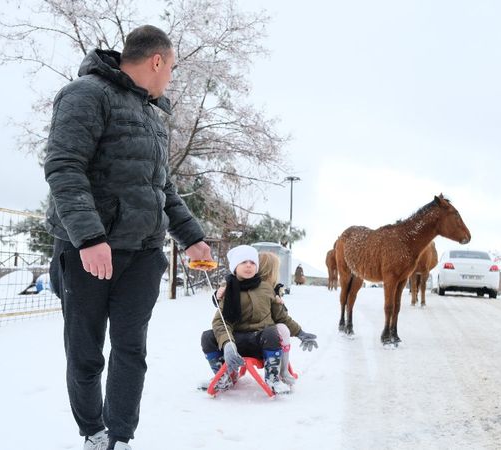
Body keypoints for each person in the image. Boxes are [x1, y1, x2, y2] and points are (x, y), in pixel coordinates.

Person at [44, 25, 212, 450]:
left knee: (130, 351)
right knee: (86, 354)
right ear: (157, 61)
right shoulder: (85, 94)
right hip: (88, 254)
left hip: (143, 255)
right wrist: (88, 237)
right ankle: (93, 432)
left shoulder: (154, 117)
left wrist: (191, 237)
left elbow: (162, 188)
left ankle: (119, 436)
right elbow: (65, 167)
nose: (170, 77)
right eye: (171, 68)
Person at [200, 245, 318, 394]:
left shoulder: (266, 289)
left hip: (261, 343)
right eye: (243, 262)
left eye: (252, 262)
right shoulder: (227, 291)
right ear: (235, 267)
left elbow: (281, 317)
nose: (248, 265)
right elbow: (221, 322)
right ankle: (225, 376)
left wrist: (300, 333)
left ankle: (272, 378)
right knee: (207, 336)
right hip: (235, 343)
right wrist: (228, 344)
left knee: (271, 331)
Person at [257, 252, 296, 385]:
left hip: (256, 336)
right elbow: (280, 317)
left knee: (281, 328)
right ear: (270, 271)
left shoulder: (271, 288)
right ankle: (283, 371)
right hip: (266, 339)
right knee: (283, 329)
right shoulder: (267, 290)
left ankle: (283, 370)